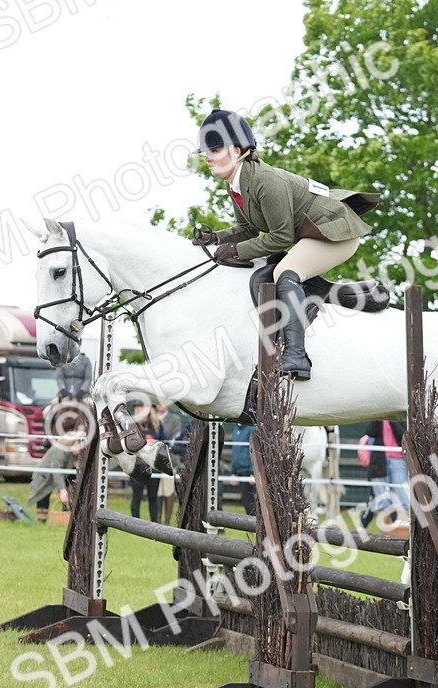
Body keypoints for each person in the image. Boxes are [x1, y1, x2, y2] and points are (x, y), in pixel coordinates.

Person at [191, 108, 381, 381]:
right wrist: (217, 238)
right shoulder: (236, 184)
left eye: (215, 149)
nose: (208, 157)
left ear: (238, 150)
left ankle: (296, 356)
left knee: (285, 272)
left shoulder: (266, 180)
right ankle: (345, 294)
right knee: (274, 266)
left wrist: (237, 250)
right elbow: (248, 229)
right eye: (206, 152)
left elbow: (280, 237)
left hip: (337, 230)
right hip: (313, 233)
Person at [27, 419, 86, 522]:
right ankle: (41, 521)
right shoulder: (60, 450)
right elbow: (56, 470)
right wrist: (62, 490)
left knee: (71, 489)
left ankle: (67, 515)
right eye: (78, 444)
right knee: (43, 495)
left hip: (63, 473)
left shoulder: (73, 452)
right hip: (45, 475)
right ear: (71, 442)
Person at [129, 404, 165, 523]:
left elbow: (165, 441)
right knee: (137, 496)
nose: (142, 409)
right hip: (137, 466)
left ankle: (155, 524)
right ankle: (135, 523)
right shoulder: (132, 425)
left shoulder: (157, 424)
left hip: (154, 465)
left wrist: (154, 443)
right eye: (140, 406)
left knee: (153, 497)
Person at [228, 423, 257, 516]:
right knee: (246, 499)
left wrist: (253, 473)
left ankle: (256, 522)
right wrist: (233, 472)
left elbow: (255, 452)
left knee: (247, 499)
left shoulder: (252, 429)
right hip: (240, 470)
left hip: (249, 472)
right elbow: (235, 451)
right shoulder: (236, 429)